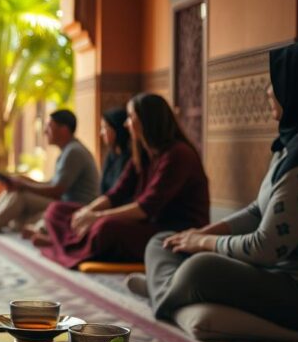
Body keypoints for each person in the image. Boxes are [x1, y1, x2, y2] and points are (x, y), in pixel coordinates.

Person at [131, 43, 298, 333]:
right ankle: (171, 291)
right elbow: (258, 210)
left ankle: (167, 290)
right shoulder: (292, 146)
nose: (269, 91)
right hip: (277, 273)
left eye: (276, 83)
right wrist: (204, 233)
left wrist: (203, 244)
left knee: (201, 268)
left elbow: (265, 248)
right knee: (162, 242)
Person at [39, 93, 209, 268]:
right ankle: (78, 244)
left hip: (171, 230)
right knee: (56, 210)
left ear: (147, 120)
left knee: (105, 227)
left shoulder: (178, 154)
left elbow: (146, 207)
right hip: (145, 224)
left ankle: (71, 244)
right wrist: (87, 212)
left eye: (131, 118)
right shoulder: (143, 154)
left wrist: (96, 217)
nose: (126, 124)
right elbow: (116, 194)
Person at [0, 109, 100, 235]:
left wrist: (24, 185)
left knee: (20, 196)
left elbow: (56, 191)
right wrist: (25, 180)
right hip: (63, 202)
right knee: (15, 203)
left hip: (75, 207)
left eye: (49, 127)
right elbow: (53, 184)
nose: (45, 131)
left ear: (64, 130)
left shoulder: (74, 152)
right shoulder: (68, 151)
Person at [100, 107, 131, 194]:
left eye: (104, 127)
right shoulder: (111, 155)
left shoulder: (130, 158)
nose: (101, 133)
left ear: (117, 128)